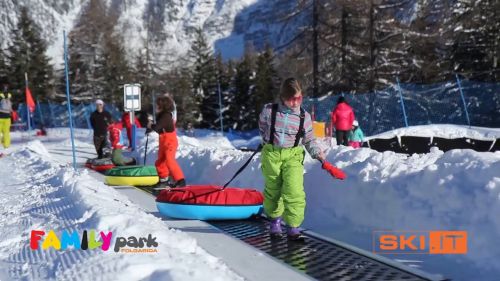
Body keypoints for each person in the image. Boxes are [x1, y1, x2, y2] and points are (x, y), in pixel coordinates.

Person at [258, 77, 326, 241]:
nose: (295, 103)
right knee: (273, 190)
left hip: (293, 156)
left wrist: (317, 153)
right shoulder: (269, 111)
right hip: (272, 155)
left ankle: (293, 226)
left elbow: (309, 139)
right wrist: (267, 141)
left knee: (294, 190)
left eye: (299, 98)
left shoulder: (304, 117)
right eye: (291, 99)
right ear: (282, 97)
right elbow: (262, 126)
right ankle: (275, 221)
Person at [147, 94, 186, 189]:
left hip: (170, 142)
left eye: (157, 105)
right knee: (160, 162)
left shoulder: (166, 116)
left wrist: (151, 126)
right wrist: (150, 128)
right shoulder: (162, 115)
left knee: (169, 160)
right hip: (163, 141)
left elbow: (157, 127)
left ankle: (180, 180)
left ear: (163, 106)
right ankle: (163, 180)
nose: (156, 107)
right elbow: (159, 128)